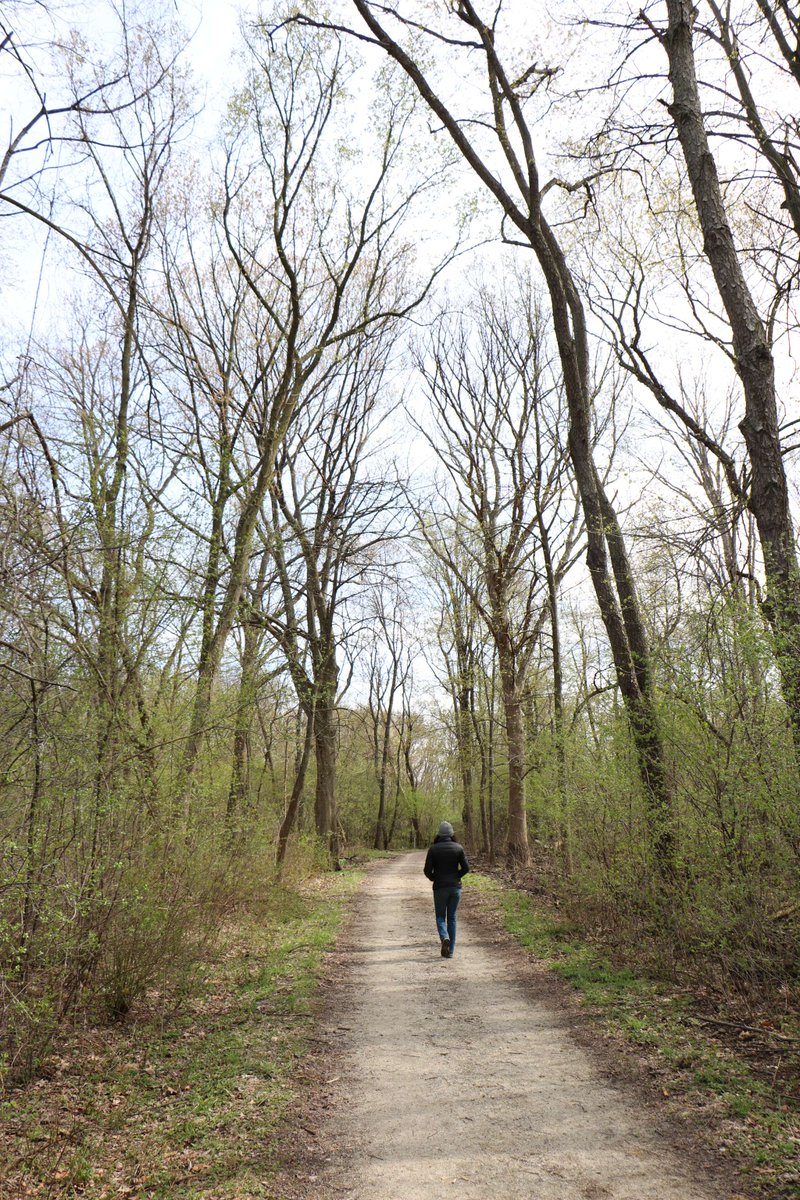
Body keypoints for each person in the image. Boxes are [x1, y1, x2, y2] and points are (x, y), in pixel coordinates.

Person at [423, 820, 470, 958]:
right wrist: (457, 876)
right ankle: (451, 951)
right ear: (451, 834)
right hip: (455, 888)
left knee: (440, 916)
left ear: (439, 834)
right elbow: (466, 868)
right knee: (452, 917)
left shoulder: (433, 849)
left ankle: (444, 937)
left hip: (440, 888)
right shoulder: (458, 848)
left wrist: (434, 878)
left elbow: (426, 870)